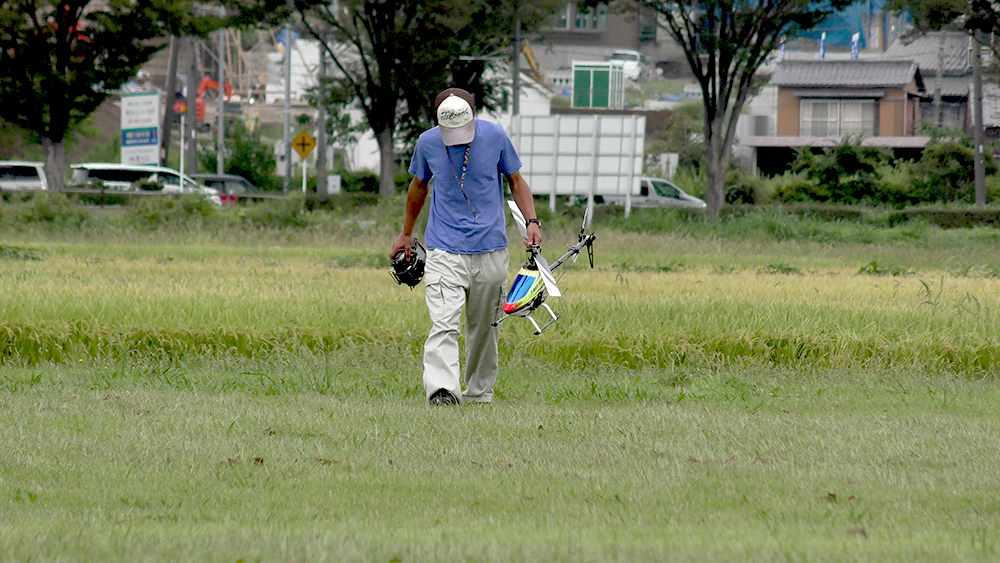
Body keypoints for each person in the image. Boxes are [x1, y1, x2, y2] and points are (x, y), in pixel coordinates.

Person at [390, 87, 542, 406]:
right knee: (444, 323)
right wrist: (406, 233)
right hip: (444, 249)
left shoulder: (496, 136)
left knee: (485, 328)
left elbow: (516, 181)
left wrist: (532, 221)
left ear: (474, 115)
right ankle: (443, 391)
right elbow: (418, 186)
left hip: (490, 248)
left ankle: (478, 393)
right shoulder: (428, 142)